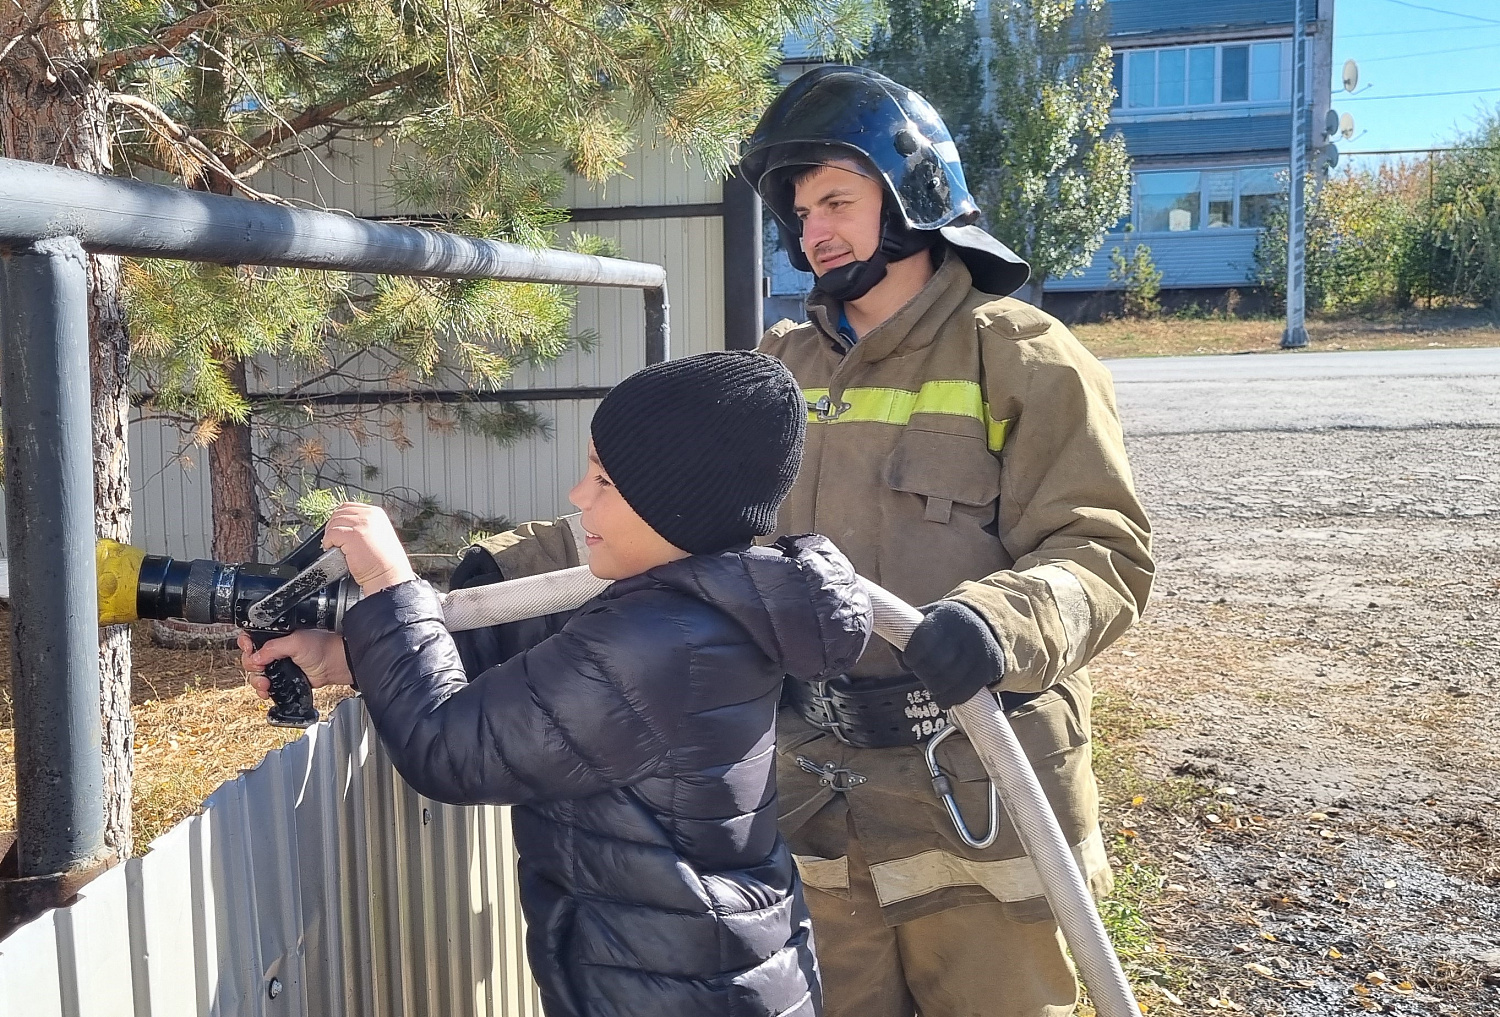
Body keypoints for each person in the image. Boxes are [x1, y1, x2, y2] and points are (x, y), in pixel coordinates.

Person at [242, 351, 876, 1017]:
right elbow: (540, 683)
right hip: (697, 973)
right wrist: (349, 655)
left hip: (675, 990)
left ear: (676, 505)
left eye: (604, 480)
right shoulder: (698, 607)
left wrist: (389, 586)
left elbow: (449, 748)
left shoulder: (659, 642)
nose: (579, 497)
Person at [736, 66, 1155, 1017]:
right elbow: (658, 512)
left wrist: (995, 622)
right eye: (801, 214)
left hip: (982, 800)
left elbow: (1103, 549)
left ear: (914, 198)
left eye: (838, 201)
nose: (815, 234)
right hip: (820, 804)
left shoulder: (1023, 355)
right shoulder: (775, 368)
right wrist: (486, 572)